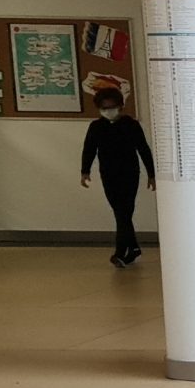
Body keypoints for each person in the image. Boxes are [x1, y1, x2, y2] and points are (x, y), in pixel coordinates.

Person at [79, 88, 154, 268]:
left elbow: (143, 149)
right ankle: (133, 248)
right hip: (108, 174)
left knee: (124, 211)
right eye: (104, 108)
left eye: (111, 107)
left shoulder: (131, 125)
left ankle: (120, 252)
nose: (108, 111)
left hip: (129, 173)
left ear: (120, 106)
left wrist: (151, 174)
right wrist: (85, 171)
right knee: (121, 213)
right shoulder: (96, 127)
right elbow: (89, 149)